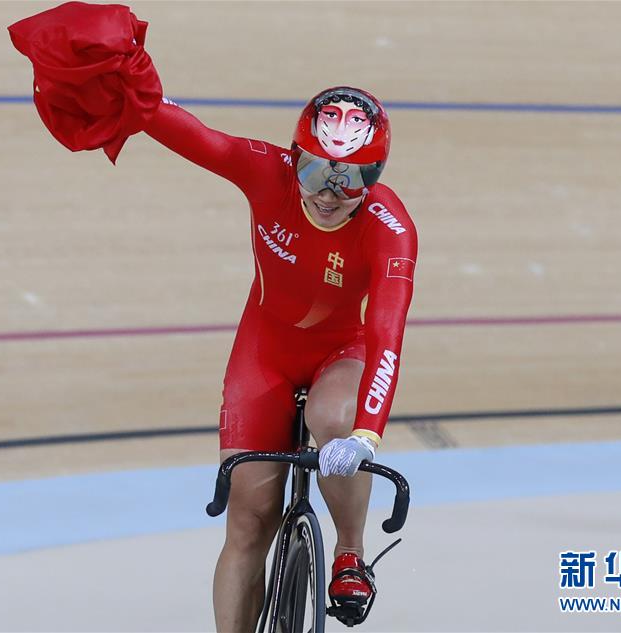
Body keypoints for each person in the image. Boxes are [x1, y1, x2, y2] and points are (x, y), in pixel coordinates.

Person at [143, 86, 418, 631]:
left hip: (342, 352)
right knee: (248, 525)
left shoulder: (392, 231)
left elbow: (387, 337)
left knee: (334, 420)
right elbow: (195, 136)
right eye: (317, 171)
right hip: (264, 353)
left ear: (375, 177)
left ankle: (349, 555)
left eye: (352, 177)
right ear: (295, 158)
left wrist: (365, 437)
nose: (330, 193)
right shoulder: (266, 171)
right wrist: (132, 97)